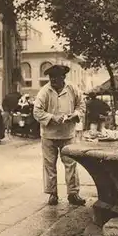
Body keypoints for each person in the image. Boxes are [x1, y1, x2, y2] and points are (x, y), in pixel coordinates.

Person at [33, 64, 87, 206]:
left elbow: (81, 105)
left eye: (56, 78)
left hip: (68, 134)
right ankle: (52, 194)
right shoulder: (44, 91)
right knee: (49, 165)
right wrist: (52, 117)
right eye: (51, 78)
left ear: (63, 77)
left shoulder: (72, 88)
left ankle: (73, 194)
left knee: (71, 164)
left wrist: (74, 115)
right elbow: (37, 112)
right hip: (48, 135)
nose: (53, 81)